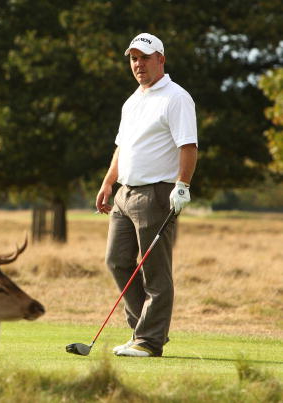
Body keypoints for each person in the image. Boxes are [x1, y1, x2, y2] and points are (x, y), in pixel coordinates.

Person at [95, 33, 198, 357]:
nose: (138, 64)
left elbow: (188, 146)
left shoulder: (176, 97)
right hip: (125, 193)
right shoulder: (133, 100)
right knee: (116, 261)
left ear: (161, 59)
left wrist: (182, 185)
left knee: (155, 270)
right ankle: (143, 331)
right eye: (133, 58)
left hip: (157, 193)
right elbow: (122, 148)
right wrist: (108, 182)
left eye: (144, 57)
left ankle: (149, 341)